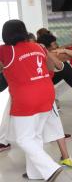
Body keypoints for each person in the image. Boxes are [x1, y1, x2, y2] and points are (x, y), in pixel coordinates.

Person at [0, 20, 63, 181]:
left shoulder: (6, 51)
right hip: (47, 94)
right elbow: (51, 67)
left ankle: (50, 168)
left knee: (23, 138)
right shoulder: (39, 47)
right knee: (35, 136)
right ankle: (35, 173)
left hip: (26, 99)